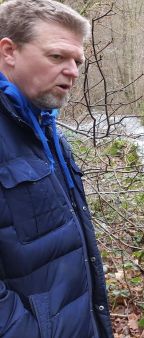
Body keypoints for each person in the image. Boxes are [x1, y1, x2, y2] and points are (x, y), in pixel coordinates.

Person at [0, 1, 113, 337]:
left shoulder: (46, 129)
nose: (73, 71)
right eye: (57, 57)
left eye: (77, 61)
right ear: (9, 52)